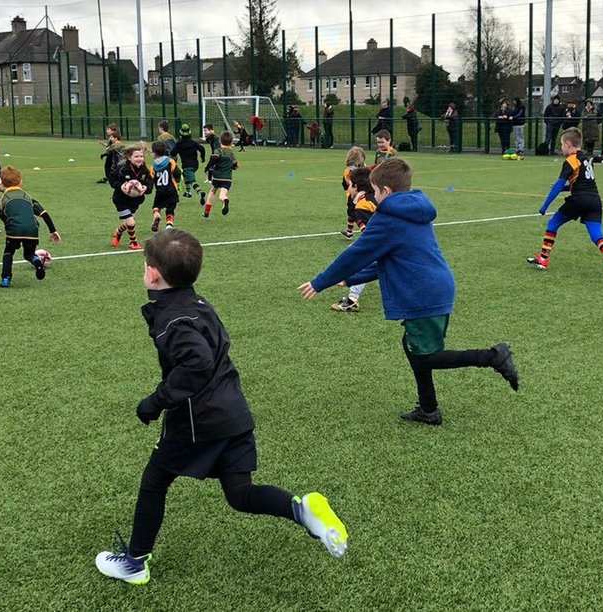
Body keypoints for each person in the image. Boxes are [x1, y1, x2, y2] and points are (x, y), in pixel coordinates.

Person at [95, 229, 349, 585]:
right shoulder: (197, 304)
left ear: (152, 274)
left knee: (155, 480)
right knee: (240, 493)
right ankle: (301, 509)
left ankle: (134, 563)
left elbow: (197, 364)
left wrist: (154, 402)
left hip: (199, 421)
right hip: (233, 412)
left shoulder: (173, 319)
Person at [299, 158, 519, 425]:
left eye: (376, 192)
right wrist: (350, 279)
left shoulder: (389, 218)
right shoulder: (413, 210)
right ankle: (428, 409)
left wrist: (320, 282)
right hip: (434, 287)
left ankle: (493, 356)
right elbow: (390, 261)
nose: (374, 196)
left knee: (426, 355)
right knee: (413, 346)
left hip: (423, 292)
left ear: (387, 192)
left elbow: (355, 254)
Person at [526, 127, 603, 277]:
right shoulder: (586, 159)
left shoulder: (571, 160)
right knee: (597, 234)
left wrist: (545, 206)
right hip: (595, 200)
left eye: (562, 144)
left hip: (579, 200)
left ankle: (543, 259)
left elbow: (558, 184)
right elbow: (581, 182)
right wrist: (566, 188)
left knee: (553, 223)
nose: (561, 147)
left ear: (569, 144)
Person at [0, 166, 60, 286]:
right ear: (20, 182)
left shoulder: (2, 199)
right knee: (29, 254)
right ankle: (37, 263)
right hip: (32, 230)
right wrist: (53, 230)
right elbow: (44, 214)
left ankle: (6, 279)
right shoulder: (27, 197)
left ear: (2, 183)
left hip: (14, 231)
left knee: (8, 253)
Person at [330, 167, 378, 312]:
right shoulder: (374, 195)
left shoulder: (362, 205)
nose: (348, 188)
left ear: (356, 187)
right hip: (398, 237)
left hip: (388, 240)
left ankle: (352, 300)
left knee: (363, 262)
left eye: (350, 185)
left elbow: (371, 236)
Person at [110, 142, 153, 250]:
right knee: (131, 222)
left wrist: (145, 188)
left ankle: (118, 233)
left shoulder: (144, 170)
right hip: (121, 200)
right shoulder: (123, 169)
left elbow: (150, 183)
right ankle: (133, 242)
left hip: (135, 201)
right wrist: (121, 187)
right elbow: (112, 180)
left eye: (141, 156)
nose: (140, 159)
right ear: (129, 157)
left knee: (128, 222)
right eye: (136, 156)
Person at [148, 141, 181, 232]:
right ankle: (169, 225)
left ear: (154, 152)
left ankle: (157, 214)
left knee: (156, 206)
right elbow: (177, 173)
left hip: (160, 191)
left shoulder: (153, 166)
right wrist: (177, 181)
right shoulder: (171, 162)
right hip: (171, 190)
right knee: (170, 208)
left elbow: (150, 179)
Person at [204, 131, 238, 218]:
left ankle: (206, 212)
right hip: (227, 178)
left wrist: (207, 168)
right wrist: (233, 167)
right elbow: (235, 165)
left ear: (220, 141)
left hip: (217, 177)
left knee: (212, 191)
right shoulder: (231, 153)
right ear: (231, 142)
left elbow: (214, 158)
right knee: (222, 195)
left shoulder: (218, 150)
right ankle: (225, 200)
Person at [172, 124, 206, 202]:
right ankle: (188, 192)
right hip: (195, 164)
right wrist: (202, 157)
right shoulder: (193, 143)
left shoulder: (179, 144)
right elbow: (202, 148)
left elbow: (173, 153)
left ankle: (200, 193)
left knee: (192, 180)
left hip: (187, 165)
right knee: (184, 174)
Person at [340, 146, 367, 239]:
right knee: (351, 213)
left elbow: (344, 183)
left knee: (354, 213)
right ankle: (349, 231)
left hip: (354, 195)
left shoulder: (349, 171)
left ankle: (364, 229)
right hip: (363, 194)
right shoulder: (365, 169)